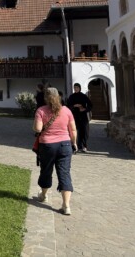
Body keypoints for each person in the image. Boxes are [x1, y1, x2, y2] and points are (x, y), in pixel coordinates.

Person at [33, 87, 77, 215]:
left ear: (45, 98)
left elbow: (38, 129)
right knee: (64, 173)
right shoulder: (66, 110)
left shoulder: (41, 110)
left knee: (46, 170)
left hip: (47, 145)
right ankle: (66, 205)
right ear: (58, 96)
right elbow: (73, 130)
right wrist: (74, 143)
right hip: (65, 145)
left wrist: (35, 125)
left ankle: (43, 195)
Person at [67, 83, 93, 152]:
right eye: (75, 87)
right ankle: (76, 146)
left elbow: (90, 105)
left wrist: (85, 109)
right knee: (75, 131)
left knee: (84, 131)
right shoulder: (71, 97)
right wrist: (74, 106)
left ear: (79, 88)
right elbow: (68, 106)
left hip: (83, 116)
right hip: (74, 115)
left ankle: (84, 146)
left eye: (77, 87)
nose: (76, 89)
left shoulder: (83, 96)